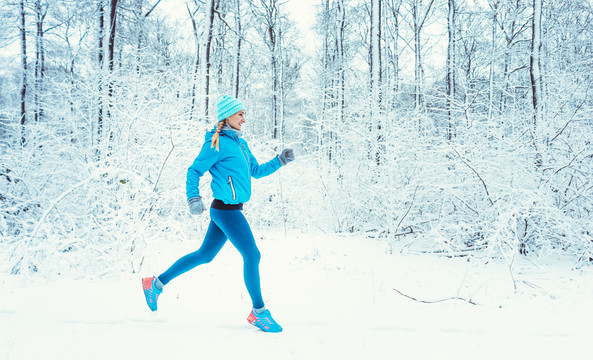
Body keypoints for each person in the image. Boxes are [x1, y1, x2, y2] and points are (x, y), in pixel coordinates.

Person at [142, 95, 295, 333]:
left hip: (229, 210)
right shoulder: (216, 144)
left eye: (244, 114)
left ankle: (156, 284)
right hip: (225, 211)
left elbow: (255, 171)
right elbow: (194, 171)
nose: (244, 119)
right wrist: (193, 198)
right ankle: (259, 312)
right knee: (252, 255)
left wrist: (279, 161)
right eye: (240, 114)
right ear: (227, 117)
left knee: (204, 255)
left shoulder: (241, 144)